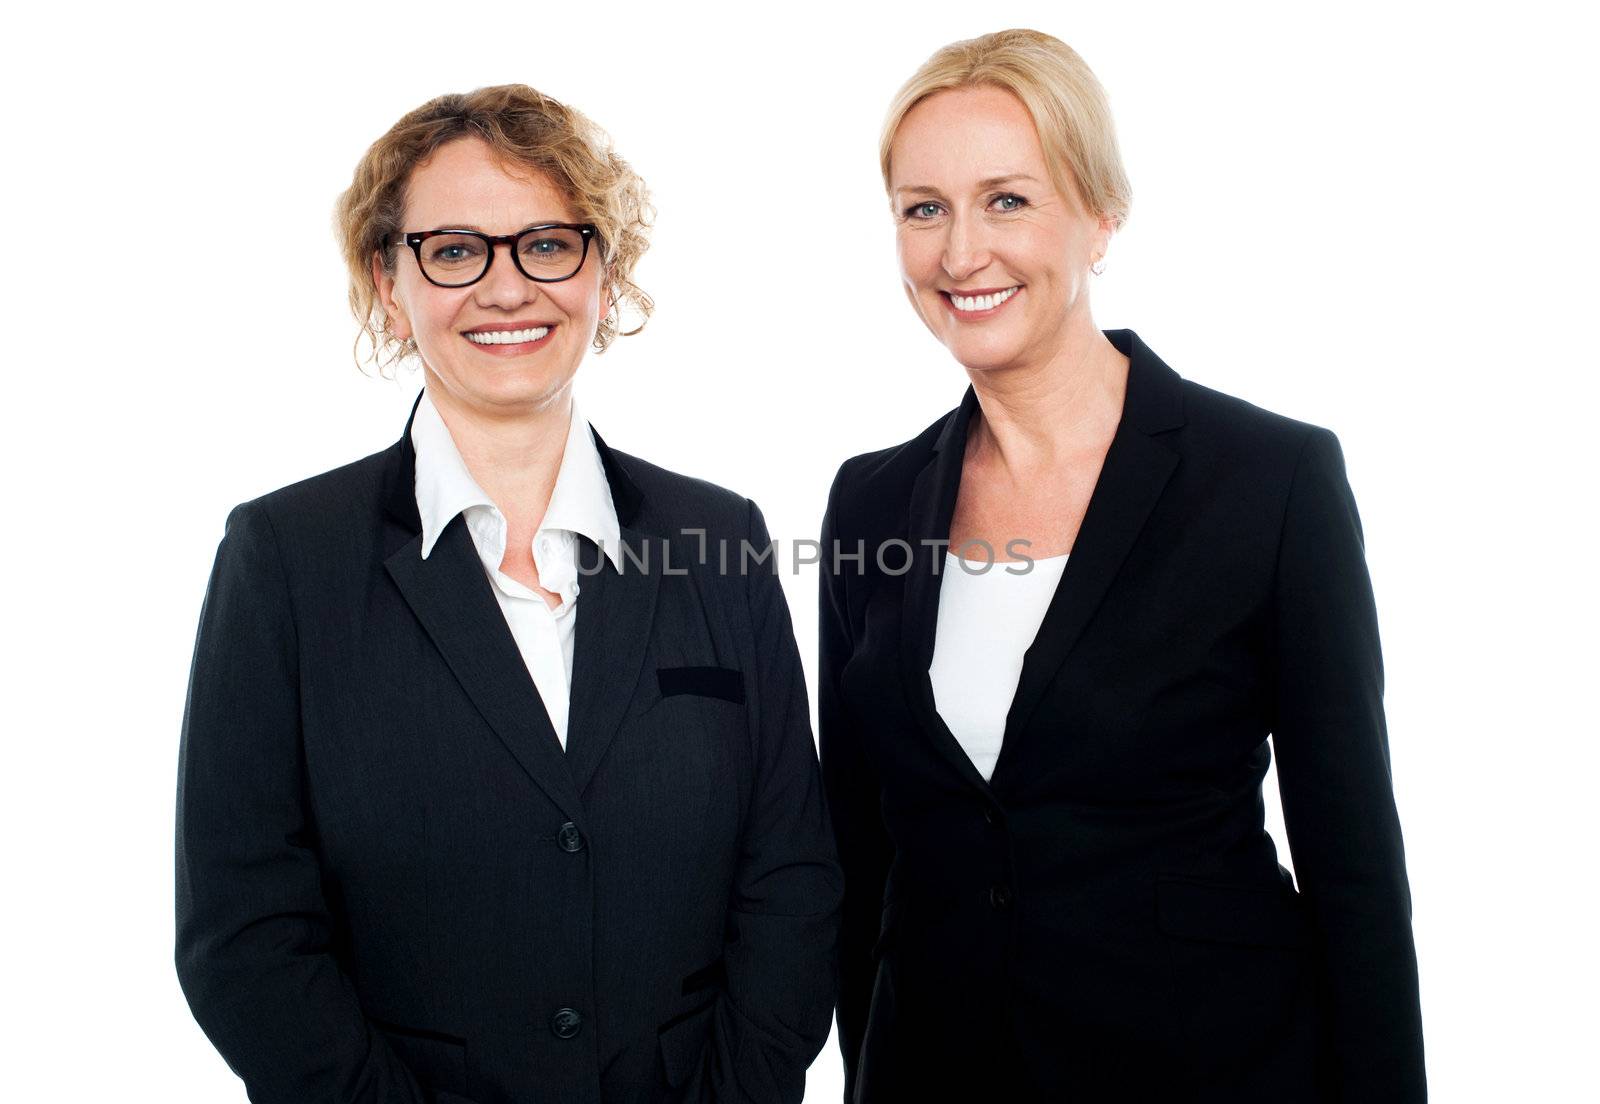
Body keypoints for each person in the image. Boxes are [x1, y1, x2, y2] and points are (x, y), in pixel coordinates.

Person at [175, 84, 839, 1104]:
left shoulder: (719, 540)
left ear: (602, 274)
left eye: (546, 244)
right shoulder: (284, 559)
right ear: (387, 282)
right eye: (454, 250)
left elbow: (790, 878)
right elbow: (245, 935)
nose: (506, 286)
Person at [818, 30, 1424, 1103]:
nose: (960, 253)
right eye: (924, 208)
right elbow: (860, 861)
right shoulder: (869, 500)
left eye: (1007, 200)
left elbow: (1355, 876)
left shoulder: (1268, 480)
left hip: (1208, 1070)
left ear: (1100, 216)